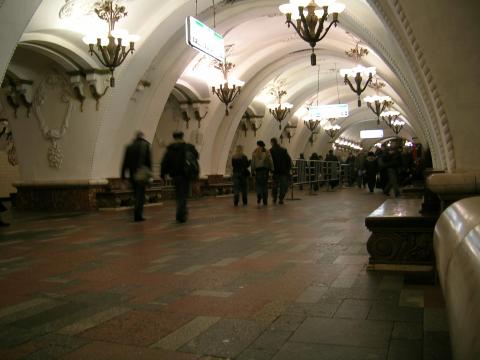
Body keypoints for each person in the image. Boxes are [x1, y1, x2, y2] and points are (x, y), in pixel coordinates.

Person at [161, 131, 199, 223]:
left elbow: (164, 163)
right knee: (183, 195)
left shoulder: (170, 149)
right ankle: (181, 214)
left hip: (175, 176)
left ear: (174, 138)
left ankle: (180, 213)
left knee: (178, 194)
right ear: (182, 137)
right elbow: (196, 157)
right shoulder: (188, 147)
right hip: (186, 175)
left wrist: (163, 175)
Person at [121, 131, 152, 222]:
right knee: (140, 195)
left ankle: (136, 212)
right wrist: (149, 174)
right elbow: (149, 161)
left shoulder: (129, 147)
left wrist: (123, 177)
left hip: (132, 175)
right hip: (142, 175)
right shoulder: (145, 146)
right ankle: (138, 215)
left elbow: (124, 163)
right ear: (142, 137)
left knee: (136, 193)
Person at [269, 138, 292, 204]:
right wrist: (288, 169)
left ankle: (274, 198)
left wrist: (270, 170)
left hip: (275, 172)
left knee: (274, 186)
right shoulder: (284, 150)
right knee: (283, 186)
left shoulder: (270, 151)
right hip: (283, 172)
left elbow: (270, 162)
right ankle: (281, 198)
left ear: (272, 143)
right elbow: (288, 160)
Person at [251, 140, 273, 206]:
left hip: (258, 171)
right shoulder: (267, 152)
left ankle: (259, 195)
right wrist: (272, 169)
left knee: (259, 185)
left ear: (258, 145)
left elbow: (252, 162)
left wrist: (252, 171)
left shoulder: (255, 152)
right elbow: (270, 160)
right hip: (265, 171)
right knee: (265, 185)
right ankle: (265, 200)